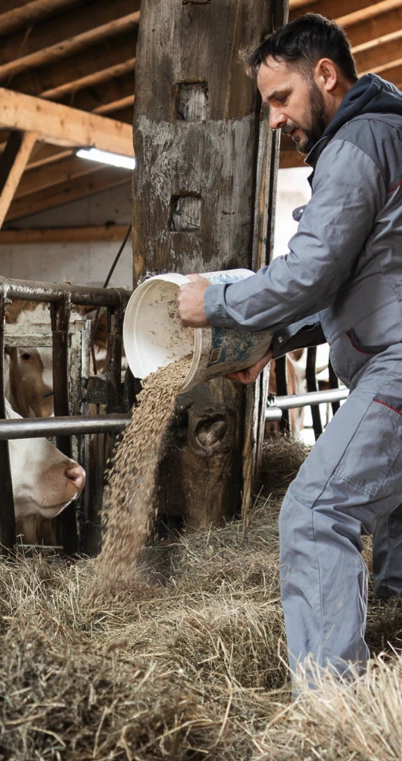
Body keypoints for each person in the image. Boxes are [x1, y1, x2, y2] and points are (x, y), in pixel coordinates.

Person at [177, 14, 402, 689]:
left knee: (314, 512)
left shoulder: (359, 141)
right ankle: (390, 648)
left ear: (325, 76)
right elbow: (355, 279)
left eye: (279, 98)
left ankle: (333, 712)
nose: (273, 118)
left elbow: (311, 271)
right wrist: (273, 340)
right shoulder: (385, 131)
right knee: (392, 514)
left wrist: (213, 306)